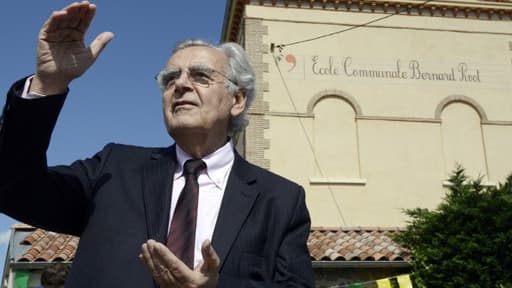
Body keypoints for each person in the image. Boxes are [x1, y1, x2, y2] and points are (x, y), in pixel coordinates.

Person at [0, 2, 314, 287]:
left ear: (237, 99)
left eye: (201, 76)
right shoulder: (113, 170)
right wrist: (49, 84)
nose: (180, 85)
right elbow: (14, 190)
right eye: (169, 79)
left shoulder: (280, 200)